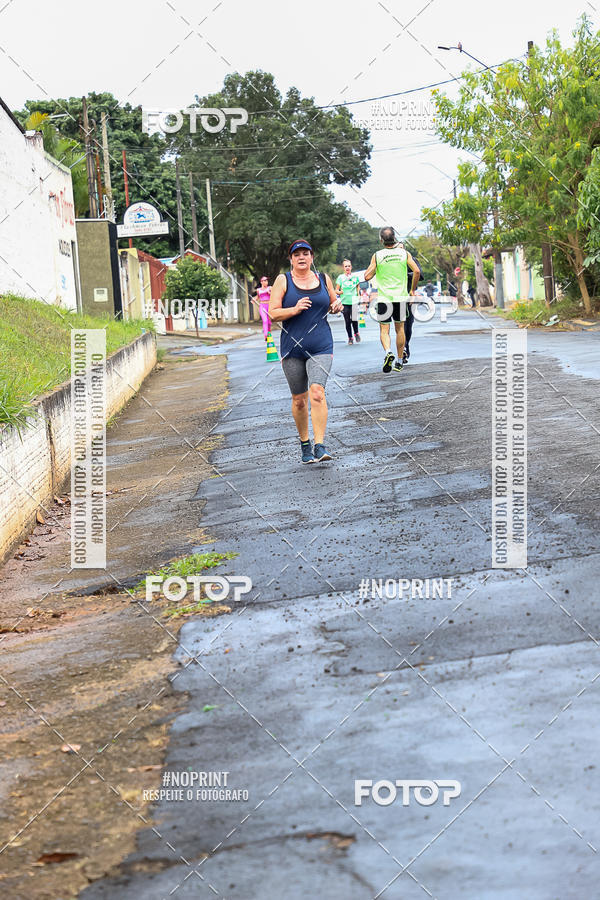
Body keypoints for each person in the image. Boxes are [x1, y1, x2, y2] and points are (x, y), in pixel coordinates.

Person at [269, 239, 342, 463]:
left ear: (312, 257)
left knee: (317, 392)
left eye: (306, 253)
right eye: (297, 254)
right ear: (291, 259)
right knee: (299, 400)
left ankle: (320, 445)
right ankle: (305, 444)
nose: (302, 257)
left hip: (321, 345)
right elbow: (273, 313)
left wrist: (336, 306)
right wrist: (294, 309)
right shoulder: (283, 280)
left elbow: (333, 303)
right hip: (292, 348)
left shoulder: (323, 278)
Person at [364, 226, 420, 373]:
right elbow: (417, 271)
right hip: (401, 297)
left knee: (384, 330)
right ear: (394, 238)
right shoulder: (404, 253)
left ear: (381, 240)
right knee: (400, 329)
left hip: (384, 298)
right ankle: (400, 361)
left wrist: (377, 266)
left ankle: (388, 352)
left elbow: (367, 276)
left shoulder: (377, 255)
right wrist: (412, 290)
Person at [335, 258, 361, 345]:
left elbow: (358, 287)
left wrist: (358, 294)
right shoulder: (340, 278)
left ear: (351, 267)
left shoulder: (355, 277)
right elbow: (336, 290)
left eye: (349, 266)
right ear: (343, 268)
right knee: (347, 321)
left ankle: (356, 333)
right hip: (345, 302)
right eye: (346, 266)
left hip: (354, 301)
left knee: (354, 319)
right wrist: (340, 292)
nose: (347, 267)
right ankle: (350, 337)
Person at [253, 276, 272, 340]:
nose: (266, 282)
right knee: (265, 320)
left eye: (267, 281)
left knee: (269, 322)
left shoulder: (270, 288)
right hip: (262, 306)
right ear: (261, 282)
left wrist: (270, 293)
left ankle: (269, 333)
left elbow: (274, 295)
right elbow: (258, 297)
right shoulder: (258, 290)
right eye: (265, 281)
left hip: (269, 305)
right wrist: (254, 300)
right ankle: (266, 335)